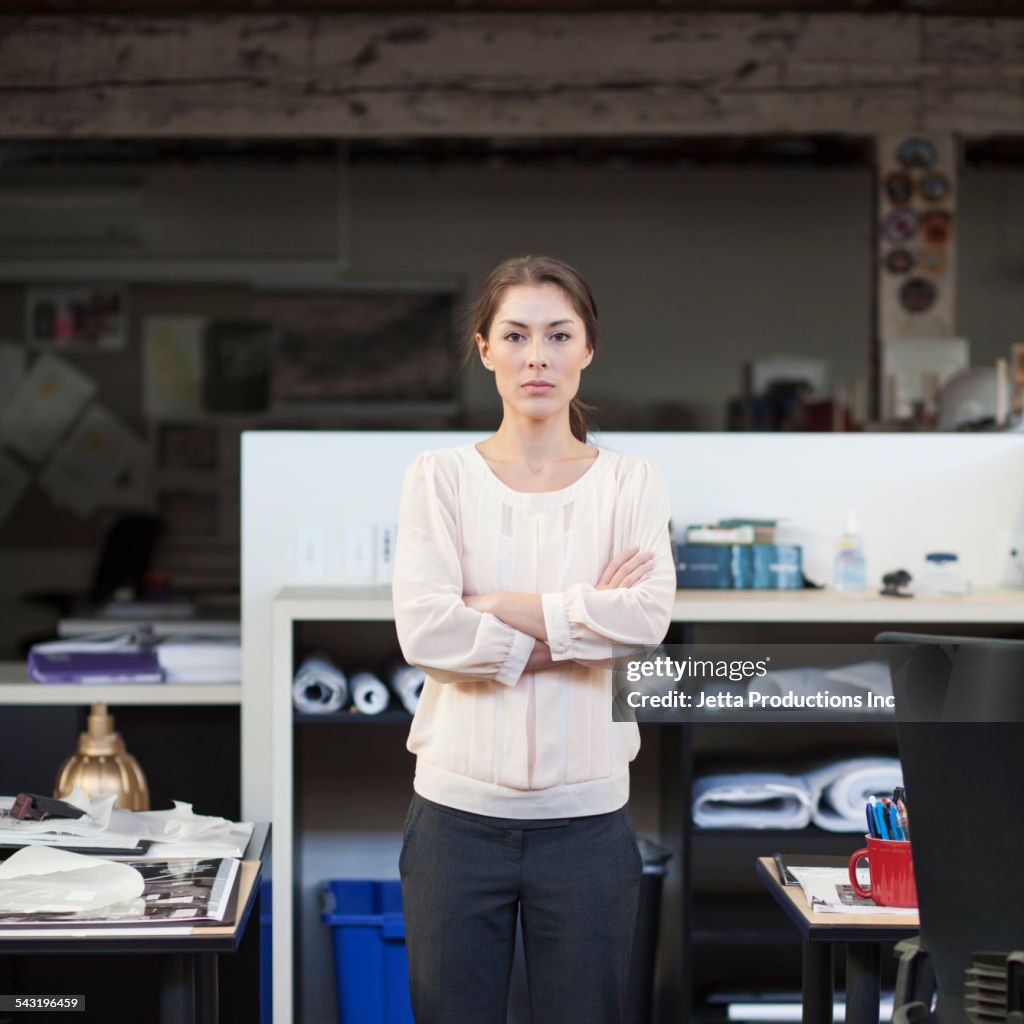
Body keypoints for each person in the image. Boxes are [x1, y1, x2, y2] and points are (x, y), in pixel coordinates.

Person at [392, 255, 677, 1024]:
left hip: (587, 822)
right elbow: (426, 629)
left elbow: (645, 621)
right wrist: (583, 626)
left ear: (588, 348)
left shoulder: (631, 481)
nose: (537, 357)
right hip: (455, 818)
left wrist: (490, 605)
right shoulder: (439, 477)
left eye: (558, 335)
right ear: (484, 348)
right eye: (515, 335)